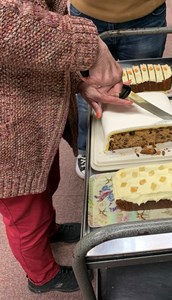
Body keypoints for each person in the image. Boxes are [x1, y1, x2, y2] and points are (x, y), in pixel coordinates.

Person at [0, 0, 132, 294]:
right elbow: (9, 25)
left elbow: (36, 50)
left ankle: (50, 231)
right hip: (8, 139)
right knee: (24, 215)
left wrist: (79, 83)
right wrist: (91, 47)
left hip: (30, 125)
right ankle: (42, 276)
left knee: (44, 185)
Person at [69, 0, 172, 178]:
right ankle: (85, 149)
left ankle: (140, 147)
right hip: (85, 16)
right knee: (86, 93)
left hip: (146, 16)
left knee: (142, 90)